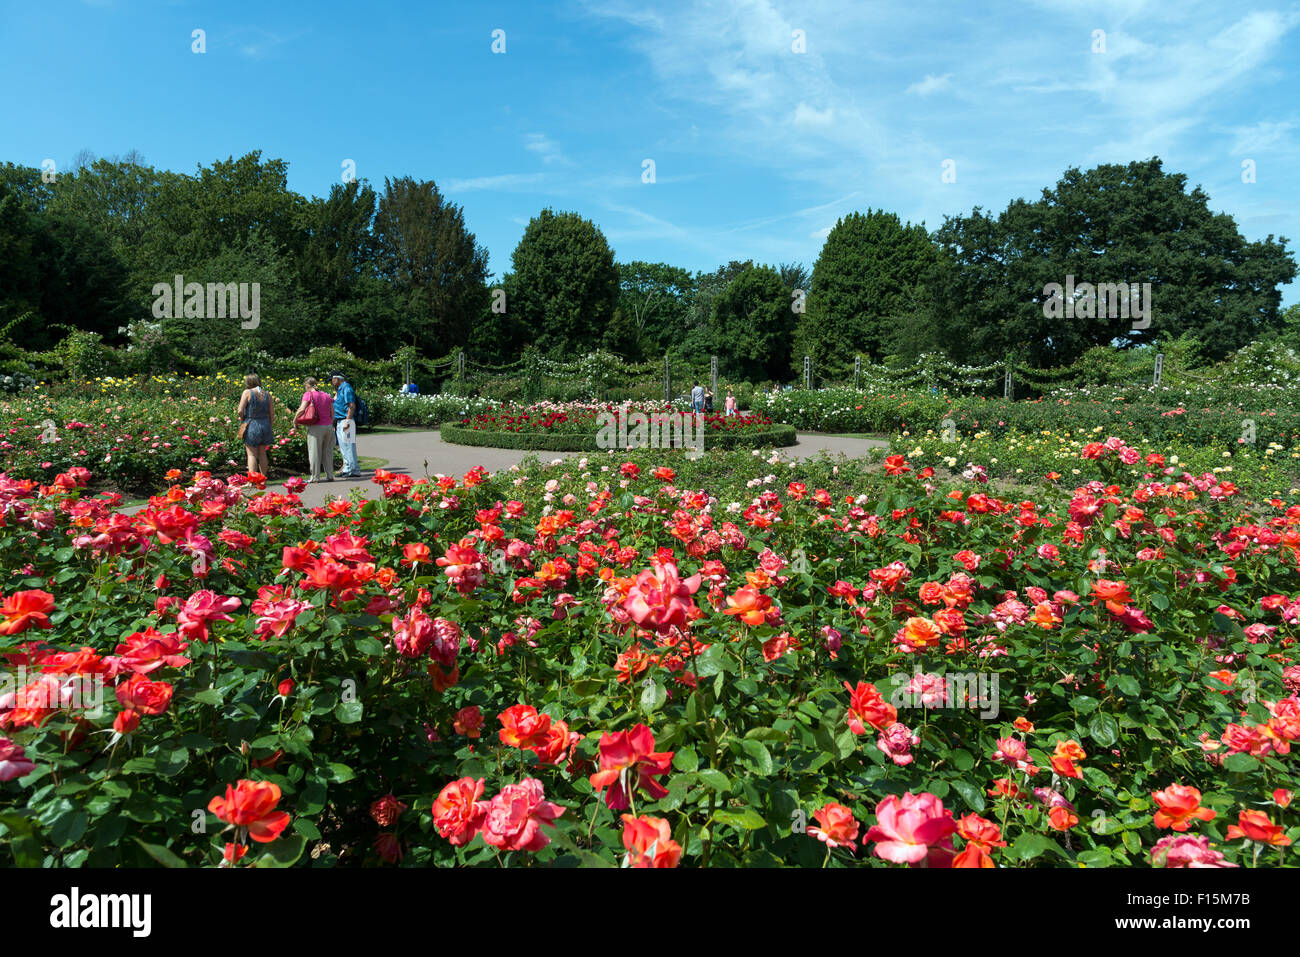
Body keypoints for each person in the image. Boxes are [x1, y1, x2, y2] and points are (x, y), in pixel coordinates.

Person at [293, 377, 336, 483]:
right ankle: (330, 475)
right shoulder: (326, 395)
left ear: (307, 386)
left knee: (314, 452)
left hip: (315, 427)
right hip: (328, 426)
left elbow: (302, 409)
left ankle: (315, 477)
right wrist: (330, 423)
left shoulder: (308, 395)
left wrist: (295, 420)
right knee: (328, 452)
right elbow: (332, 412)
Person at [237, 373, 273, 477]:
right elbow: (271, 413)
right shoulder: (267, 394)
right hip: (265, 424)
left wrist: (244, 419)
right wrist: (269, 425)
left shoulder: (247, 392)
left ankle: (252, 480)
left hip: (252, 423)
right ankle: (263, 478)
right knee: (262, 453)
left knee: (251, 454)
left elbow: (240, 410)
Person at [330, 371, 361, 479]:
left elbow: (351, 405)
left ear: (337, 379)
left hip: (345, 420)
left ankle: (352, 469)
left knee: (348, 446)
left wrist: (347, 421)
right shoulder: (340, 389)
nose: (331, 382)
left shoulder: (346, 388)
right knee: (344, 447)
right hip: (340, 421)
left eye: (332, 379)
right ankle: (349, 468)